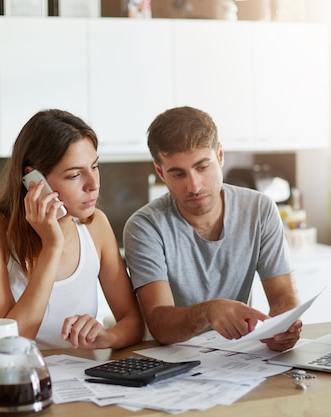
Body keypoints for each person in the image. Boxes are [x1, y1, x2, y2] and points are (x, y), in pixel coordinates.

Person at [123, 106, 301, 352]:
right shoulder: (145, 226)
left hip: (237, 357)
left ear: (219, 155)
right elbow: (160, 326)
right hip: (174, 361)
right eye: (178, 174)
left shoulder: (259, 209)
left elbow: (283, 294)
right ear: (159, 171)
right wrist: (209, 311)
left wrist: (284, 326)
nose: (194, 186)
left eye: (202, 167)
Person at [0, 109, 144, 349]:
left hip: (83, 378)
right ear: (35, 180)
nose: (93, 185)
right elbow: (7, 344)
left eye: (95, 166)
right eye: (74, 175)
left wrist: (108, 337)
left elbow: (133, 322)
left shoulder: (95, 225)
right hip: (22, 381)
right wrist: (52, 246)